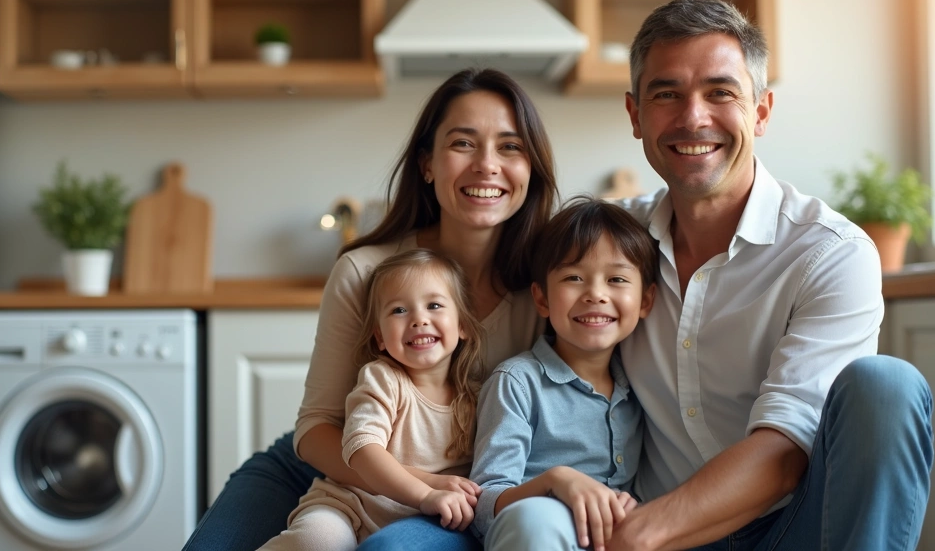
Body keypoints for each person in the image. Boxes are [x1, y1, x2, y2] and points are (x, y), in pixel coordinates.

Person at [600, 0, 934, 550]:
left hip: (793, 527)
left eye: (721, 92)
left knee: (888, 387)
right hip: (662, 531)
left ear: (761, 111)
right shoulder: (606, 243)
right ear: (636, 115)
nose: (693, 117)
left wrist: (637, 536)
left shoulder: (831, 253)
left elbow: (785, 453)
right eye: (667, 94)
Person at [183, 67, 557, 551]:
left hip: (457, 486)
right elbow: (317, 427)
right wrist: (417, 483)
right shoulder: (364, 271)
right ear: (427, 164)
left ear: (531, 168)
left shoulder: (546, 288)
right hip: (335, 460)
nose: (487, 165)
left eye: (510, 146)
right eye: (463, 143)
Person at [259, 249, 486, 550]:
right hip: (350, 507)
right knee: (315, 540)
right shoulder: (383, 380)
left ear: (463, 326)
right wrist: (425, 493)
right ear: (380, 337)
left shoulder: (478, 397)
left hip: (419, 526)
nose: (419, 319)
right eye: (399, 310)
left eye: (433, 305)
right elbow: (363, 449)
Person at [470, 197, 658, 551]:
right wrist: (557, 481)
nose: (596, 295)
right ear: (541, 299)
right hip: (537, 530)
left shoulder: (640, 386)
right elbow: (484, 504)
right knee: (536, 521)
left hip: (617, 535)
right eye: (574, 277)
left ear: (646, 301)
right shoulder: (518, 381)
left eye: (616, 279)